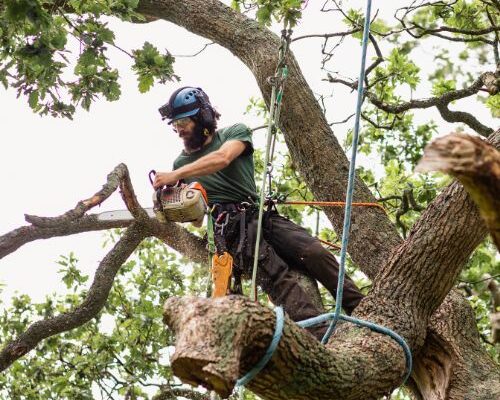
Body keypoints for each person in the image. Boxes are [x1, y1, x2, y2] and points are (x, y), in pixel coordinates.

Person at [154, 86, 364, 339]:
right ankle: (321, 335)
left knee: (313, 251)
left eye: (184, 121)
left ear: (203, 118)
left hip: (258, 215)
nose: (179, 129)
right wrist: (177, 202)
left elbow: (222, 158)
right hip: (230, 229)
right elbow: (198, 221)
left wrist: (177, 175)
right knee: (277, 276)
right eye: (175, 124)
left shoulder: (234, 133)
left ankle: (361, 309)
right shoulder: (181, 163)